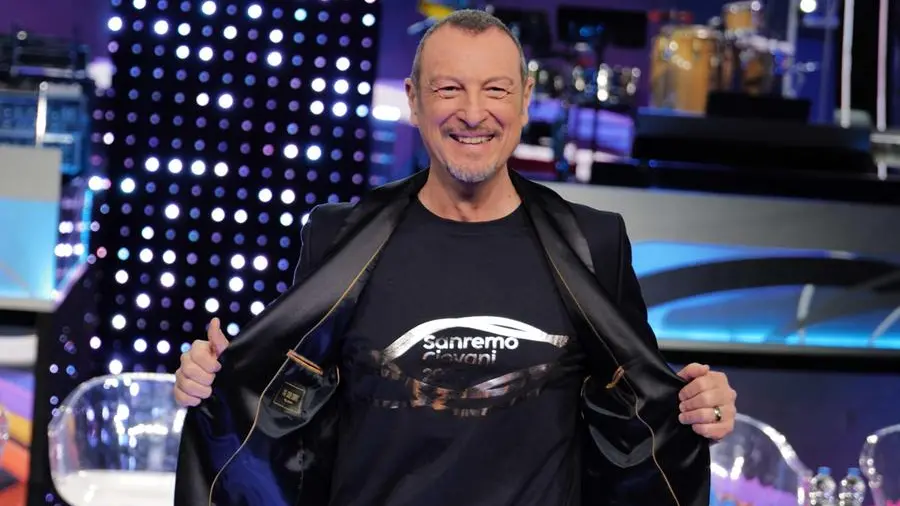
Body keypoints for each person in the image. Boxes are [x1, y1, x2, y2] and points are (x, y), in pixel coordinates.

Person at [173, 9, 737, 506]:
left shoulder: (594, 242)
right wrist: (216, 381)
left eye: (495, 90)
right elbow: (289, 398)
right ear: (414, 100)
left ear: (524, 99)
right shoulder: (337, 236)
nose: (473, 112)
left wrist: (702, 405)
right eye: (448, 89)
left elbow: (643, 406)